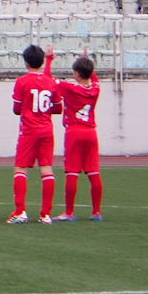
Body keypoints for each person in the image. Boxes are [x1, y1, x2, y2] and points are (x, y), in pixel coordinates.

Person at [7, 45, 61, 224]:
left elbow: (16, 109)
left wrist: (28, 108)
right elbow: (58, 107)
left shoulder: (22, 81)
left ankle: (20, 211)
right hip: (46, 129)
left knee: (20, 168)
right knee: (46, 168)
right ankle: (45, 214)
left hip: (29, 130)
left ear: (26, 62)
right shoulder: (51, 81)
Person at [57, 52, 102, 222]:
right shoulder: (96, 89)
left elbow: (47, 79)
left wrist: (48, 61)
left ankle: (69, 212)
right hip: (91, 132)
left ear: (76, 73)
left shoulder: (70, 88)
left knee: (72, 172)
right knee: (93, 172)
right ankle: (96, 212)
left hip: (74, 132)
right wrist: (87, 61)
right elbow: (94, 79)